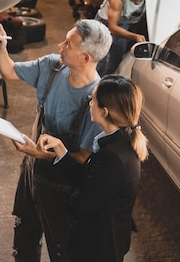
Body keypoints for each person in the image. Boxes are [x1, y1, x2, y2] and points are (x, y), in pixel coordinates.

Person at [0, 18, 112, 262]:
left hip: (61, 185)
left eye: (68, 44)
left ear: (86, 58)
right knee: (25, 236)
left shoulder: (96, 100)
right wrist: (1, 49)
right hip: (32, 170)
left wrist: (37, 153)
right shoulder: (52, 67)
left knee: (61, 248)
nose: (59, 46)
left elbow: (81, 159)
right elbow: (10, 71)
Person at [37, 75, 148, 262]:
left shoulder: (112, 157)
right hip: (103, 241)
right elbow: (91, 179)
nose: (89, 104)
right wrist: (61, 150)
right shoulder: (119, 142)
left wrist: (51, 190)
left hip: (98, 248)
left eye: (93, 100)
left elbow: (81, 205)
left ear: (104, 111)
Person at [95, 0, 149, 75]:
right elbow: (113, 28)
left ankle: (103, 84)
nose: (137, 2)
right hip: (105, 25)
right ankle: (90, 84)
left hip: (124, 25)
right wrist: (135, 36)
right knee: (99, 58)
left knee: (116, 58)